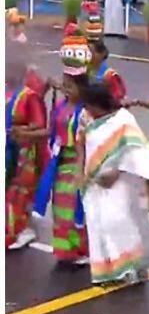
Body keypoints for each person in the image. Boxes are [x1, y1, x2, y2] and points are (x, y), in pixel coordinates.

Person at [80, 83, 149, 285]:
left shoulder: (123, 120)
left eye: (90, 105)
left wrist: (116, 171)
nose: (87, 110)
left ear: (100, 104)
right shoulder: (87, 118)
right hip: (95, 181)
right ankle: (107, 271)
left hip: (119, 181)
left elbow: (136, 149)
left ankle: (129, 267)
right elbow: (82, 142)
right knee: (98, 224)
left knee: (118, 221)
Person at [32, 30, 94, 262]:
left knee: (75, 210)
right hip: (59, 167)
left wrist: (81, 169)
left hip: (76, 166)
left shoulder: (86, 112)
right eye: (65, 85)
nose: (67, 89)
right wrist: (30, 134)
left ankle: (80, 249)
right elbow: (51, 132)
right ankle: (65, 249)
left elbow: (87, 143)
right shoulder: (61, 107)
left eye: (71, 86)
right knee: (60, 209)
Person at [5, 58, 48, 250]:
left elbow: (40, 125)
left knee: (19, 193)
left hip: (24, 152)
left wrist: (20, 131)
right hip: (7, 148)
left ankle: (22, 231)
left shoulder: (29, 96)